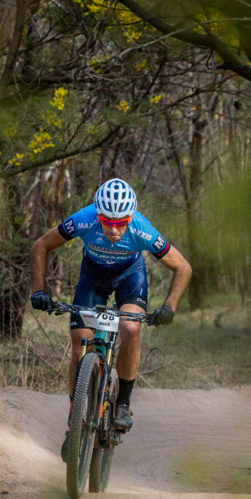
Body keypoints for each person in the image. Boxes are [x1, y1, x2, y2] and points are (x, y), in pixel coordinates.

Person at [30, 178, 192, 461]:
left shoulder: (141, 229)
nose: (115, 229)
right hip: (92, 278)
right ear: (97, 214)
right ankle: (75, 421)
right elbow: (41, 245)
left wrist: (170, 307)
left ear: (131, 217)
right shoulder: (83, 220)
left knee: (130, 328)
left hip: (130, 277)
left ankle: (123, 404)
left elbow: (183, 267)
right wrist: (38, 290)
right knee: (80, 342)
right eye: (107, 222)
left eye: (122, 222)